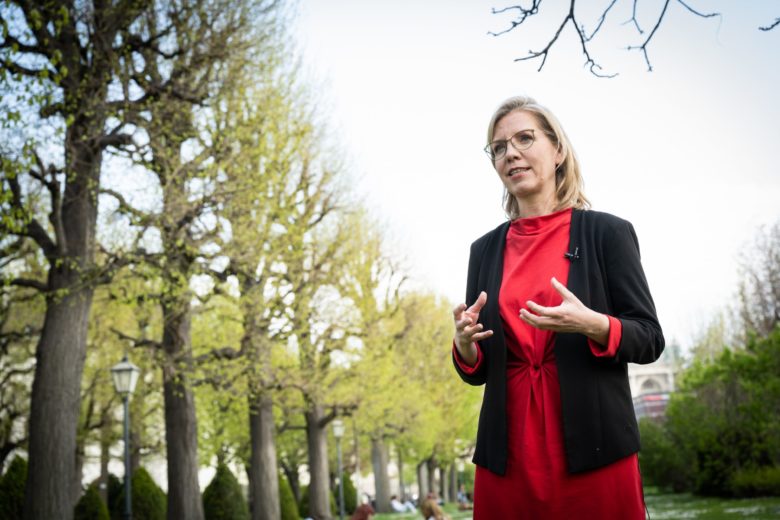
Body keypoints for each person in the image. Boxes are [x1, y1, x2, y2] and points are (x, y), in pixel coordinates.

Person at [451, 96, 664, 519]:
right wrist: (465, 347)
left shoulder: (608, 233)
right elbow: (478, 368)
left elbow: (649, 338)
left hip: (595, 448)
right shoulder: (484, 251)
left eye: (524, 139)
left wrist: (595, 324)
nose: (510, 152)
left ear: (558, 150)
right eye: (498, 147)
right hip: (507, 455)